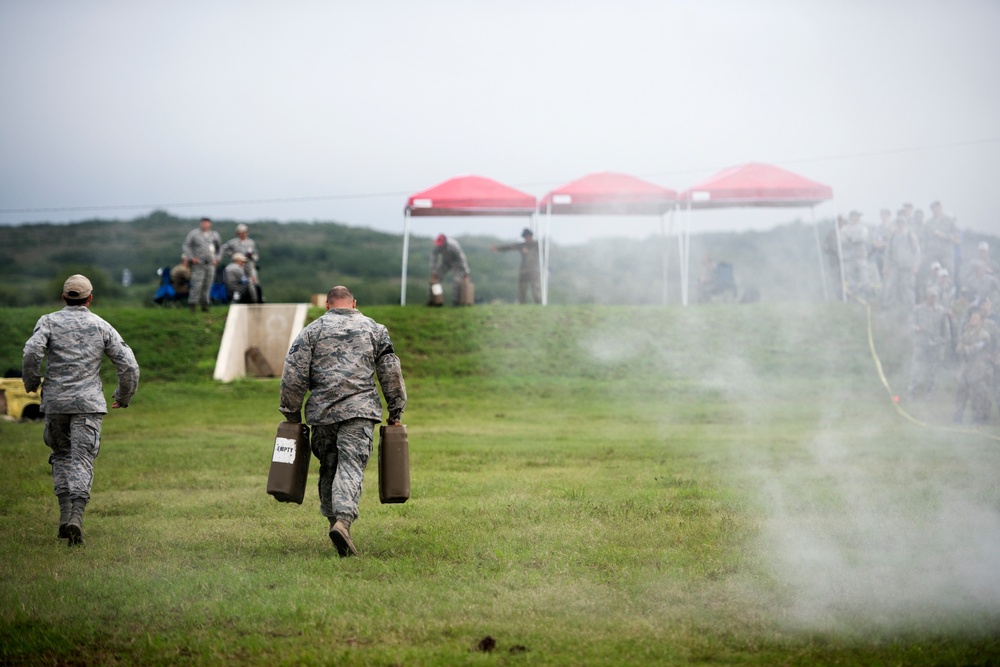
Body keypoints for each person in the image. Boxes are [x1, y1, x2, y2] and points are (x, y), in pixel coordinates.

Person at [279, 285, 407, 557]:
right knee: (350, 466)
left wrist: (291, 413)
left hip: (322, 414)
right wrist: (395, 410)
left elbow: (293, 374)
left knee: (329, 466)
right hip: (359, 413)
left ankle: (333, 522)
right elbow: (390, 371)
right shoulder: (375, 330)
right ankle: (343, 521)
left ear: (327, 305)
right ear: (354, 303)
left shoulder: (311, 331)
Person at [21, 274, 140, 546]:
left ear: (63, 297)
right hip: (88, 405)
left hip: (55, 403)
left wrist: (31, 381)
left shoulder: (48, 321)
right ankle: (76, 516)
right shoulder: (101, 325)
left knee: (61, 454)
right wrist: (123, 396)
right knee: (82, 459)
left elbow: (31, 351)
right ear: (90, 298)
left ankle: (64, 516)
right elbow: (129, 365)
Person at [906, 287, 949, 401]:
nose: (933, 299)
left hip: (935, 344)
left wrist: (943, 342)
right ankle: (911, 392)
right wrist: (916, 327)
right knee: (916, 368)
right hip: (921, 342)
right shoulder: (918, 309)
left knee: (932, 370)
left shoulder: (941, 310)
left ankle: (929, 393)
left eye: (935, 296)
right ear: (927, 296)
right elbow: (910, 323)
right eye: (931, 296)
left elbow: (945, 329)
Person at [953, 308, 993, 424]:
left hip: (979, 368)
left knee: (978, 394)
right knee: (961, 391)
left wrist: (965, 348)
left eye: (975, 318)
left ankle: (979, 418)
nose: (972, 320)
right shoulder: (966, 332)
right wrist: (962, 348)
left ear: (981, 320)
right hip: (966, 367)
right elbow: (959, 346)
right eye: (972, 317)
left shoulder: (984, 335)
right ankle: (957, 417)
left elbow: (976, 348)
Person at [881, 212, 921, 309]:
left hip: (908, 267)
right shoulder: (893, 236)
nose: (900, 225)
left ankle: (910, 308)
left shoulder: (910, 236)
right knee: (890, 287)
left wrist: (915, 266)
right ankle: (888, 308)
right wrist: (886, 266)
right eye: (898, 223)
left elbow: (917, 252)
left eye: (902, 223)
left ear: (906, 224)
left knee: (907, 289)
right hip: (894, 266)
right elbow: (888, 252)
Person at [182, 217, 222, 312]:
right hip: (199, 264)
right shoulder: (194, 234)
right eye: (203, 223)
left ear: (210, 224)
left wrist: (217, 259)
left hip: (210, 264)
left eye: (206, 223)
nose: (204, 225)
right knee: (197, 285)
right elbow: (186, 246)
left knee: (207, 285)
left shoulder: (214, 235)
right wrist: (191, 257)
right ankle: (193, 305)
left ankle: (205, 305)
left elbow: (220, 248)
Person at [492, 228, 541, 304]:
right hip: (524, 270)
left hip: (534, 270)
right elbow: (510, 247)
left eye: (528, 236)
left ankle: (538, 304)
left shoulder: (537, 245)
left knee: (536, 289)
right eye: (525, 237)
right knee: (522, 289)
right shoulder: (522, 245)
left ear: (531, 236)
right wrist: (498, 248)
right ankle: (522, 304)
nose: (526, 238)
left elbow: (545, 254)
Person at [430, 234, 471, 306]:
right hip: (445, 262)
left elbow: (461, 258)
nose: (440, 245)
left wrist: (466, 271)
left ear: (445, 241)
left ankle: (456, 302)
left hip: (456, 262)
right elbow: (434, 257)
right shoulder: (438, 246)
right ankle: (436, 301)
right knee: (436, 279)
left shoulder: (453, 245)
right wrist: (434, 271)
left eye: (441, 244)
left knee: (456, 281)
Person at [839, 211, 871, 298]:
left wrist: (851, 238)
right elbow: (842, 240)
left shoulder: (862, 228)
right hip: (848, 257)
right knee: (851, 277)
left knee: (864, 276)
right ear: (851, 217)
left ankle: (868, 294)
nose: (857, 218)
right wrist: (853, 238)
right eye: (855, 216)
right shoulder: (844, 229)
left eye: (858, 216)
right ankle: (855, 295)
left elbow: (863, 238)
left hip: (860, 256)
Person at [221, 223, 261, 290]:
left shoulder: (251, 242)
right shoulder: (233, 242)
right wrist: (233, 255)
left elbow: (256, 255)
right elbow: (222, 249)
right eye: (242, 232)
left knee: (254, 284)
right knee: (239, 284)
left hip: (249, 266)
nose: (244, 234)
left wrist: (252, 256)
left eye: (245, 232)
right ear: (238, 233)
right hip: (238, 267)